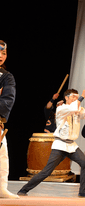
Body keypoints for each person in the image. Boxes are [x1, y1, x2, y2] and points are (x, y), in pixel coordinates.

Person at [18, 88, 85, 198]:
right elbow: (72, 108)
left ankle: (82, 192)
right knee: (47, 171)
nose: (75, 99)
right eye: (73, 97)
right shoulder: (61, 109)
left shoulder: (77, 109)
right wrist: (82, 96)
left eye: (76, 97)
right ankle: (24, 190)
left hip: (71, 145)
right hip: (60, 145)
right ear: (66, 97)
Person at [0, 40, 18, 199]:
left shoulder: (6, 77)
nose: (1, 56)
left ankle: (1, 188)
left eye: (4, 53)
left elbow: (7, 98)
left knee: (2, 156)